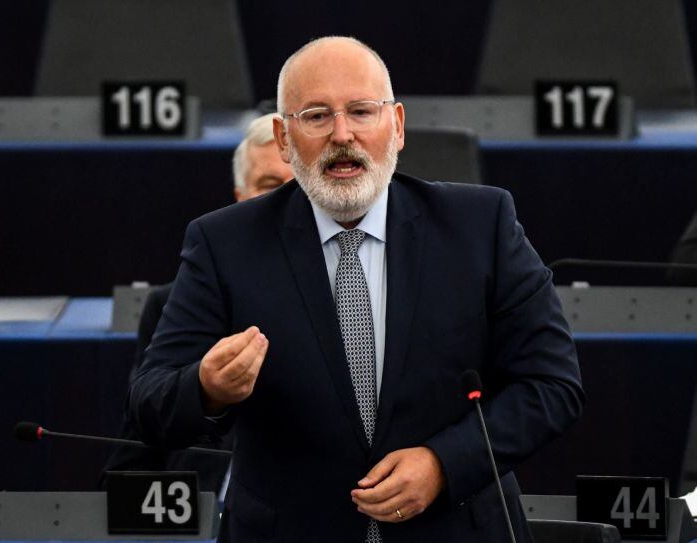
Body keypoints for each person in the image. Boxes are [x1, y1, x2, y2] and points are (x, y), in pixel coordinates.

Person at [129, 36, 584, 542]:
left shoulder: (481, 225)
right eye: (317, 116)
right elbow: (150, 404)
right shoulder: (223, 244)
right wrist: (207, 389)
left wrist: (444, 463)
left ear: (398, 126)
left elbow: (552, 384)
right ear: (283, 138)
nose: (342, 134)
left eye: (362, 112)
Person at [101, 114, 293, 489]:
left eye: (297, 186)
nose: (284, 201)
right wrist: (202, 391)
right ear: (240, 200)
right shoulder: (172, 305)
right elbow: (132, 462)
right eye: (269, 185)